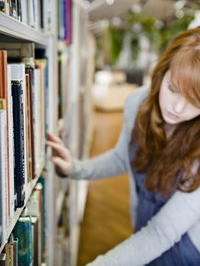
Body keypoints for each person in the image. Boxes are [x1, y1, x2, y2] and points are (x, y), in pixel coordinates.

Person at [47, 26, 200, 265]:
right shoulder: (138, 103)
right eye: (172, 89)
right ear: (161, 73)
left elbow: (162, 232)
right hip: (142, 236)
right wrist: (75, 168)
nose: (177, 109)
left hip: (185, 251)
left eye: (194, 101)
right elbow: (123, 158)